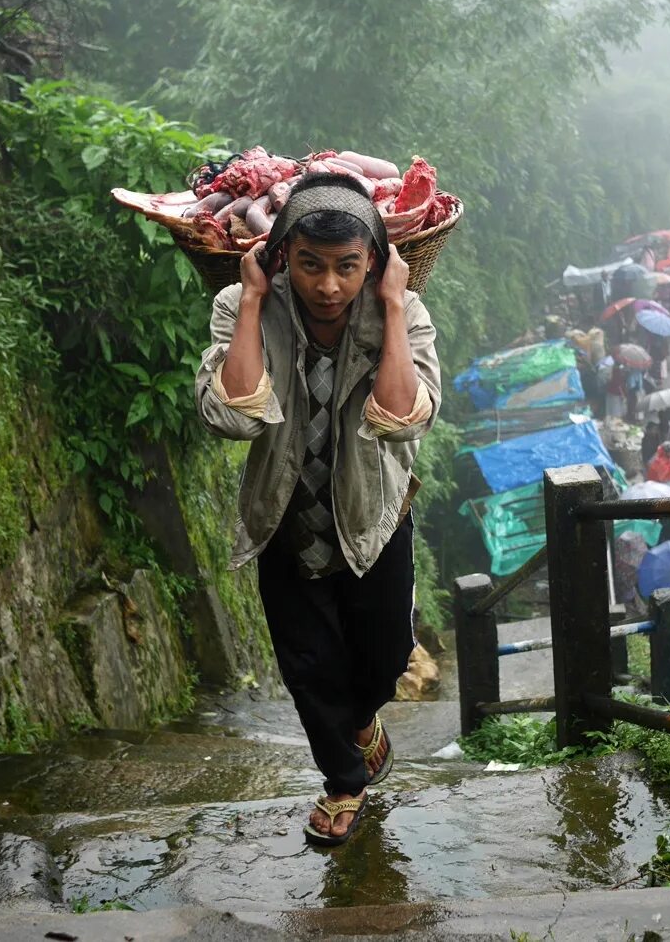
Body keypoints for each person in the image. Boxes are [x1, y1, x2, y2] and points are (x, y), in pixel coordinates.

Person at [195, 172, 441, 848]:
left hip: (372, 515)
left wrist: (392, 306)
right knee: (308, 667)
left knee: (387, 652)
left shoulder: (403, 313)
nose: (328, 286)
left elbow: (400, 421)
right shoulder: (241, 305)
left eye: (346, 267)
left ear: (375, 264)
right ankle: (343, 782)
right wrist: (249, 303)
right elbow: (233, 419)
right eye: (309, 265)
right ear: (282, 258)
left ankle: (363, 727)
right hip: (283, 516)